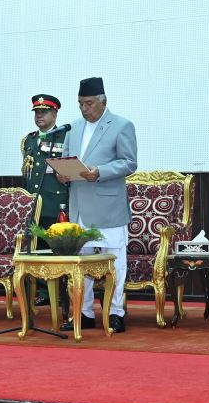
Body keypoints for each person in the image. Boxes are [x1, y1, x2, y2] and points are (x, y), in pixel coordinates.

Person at [57, 77, 137, 333]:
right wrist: (62, 173)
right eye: (80, 104)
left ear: (103, 102)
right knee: (82, 261)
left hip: (109, 206)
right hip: (80, 205)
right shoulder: (74, 127)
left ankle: (116, 312)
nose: (84, 109)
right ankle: (85, 312)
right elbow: (66, 159)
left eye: (89, 103)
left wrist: (99, 171)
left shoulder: (122, 125)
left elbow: (129, 162)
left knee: (115, 261)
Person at [21, 93, 70, 306]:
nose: (40, 116)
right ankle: (43, 292)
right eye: (37, 112)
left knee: (58, 249)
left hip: (55, 201)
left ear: (55, 113)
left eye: (44, 112)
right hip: (34, 203)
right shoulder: (30, 140)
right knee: (37, 247)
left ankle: (62, 293)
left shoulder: (64, 138)